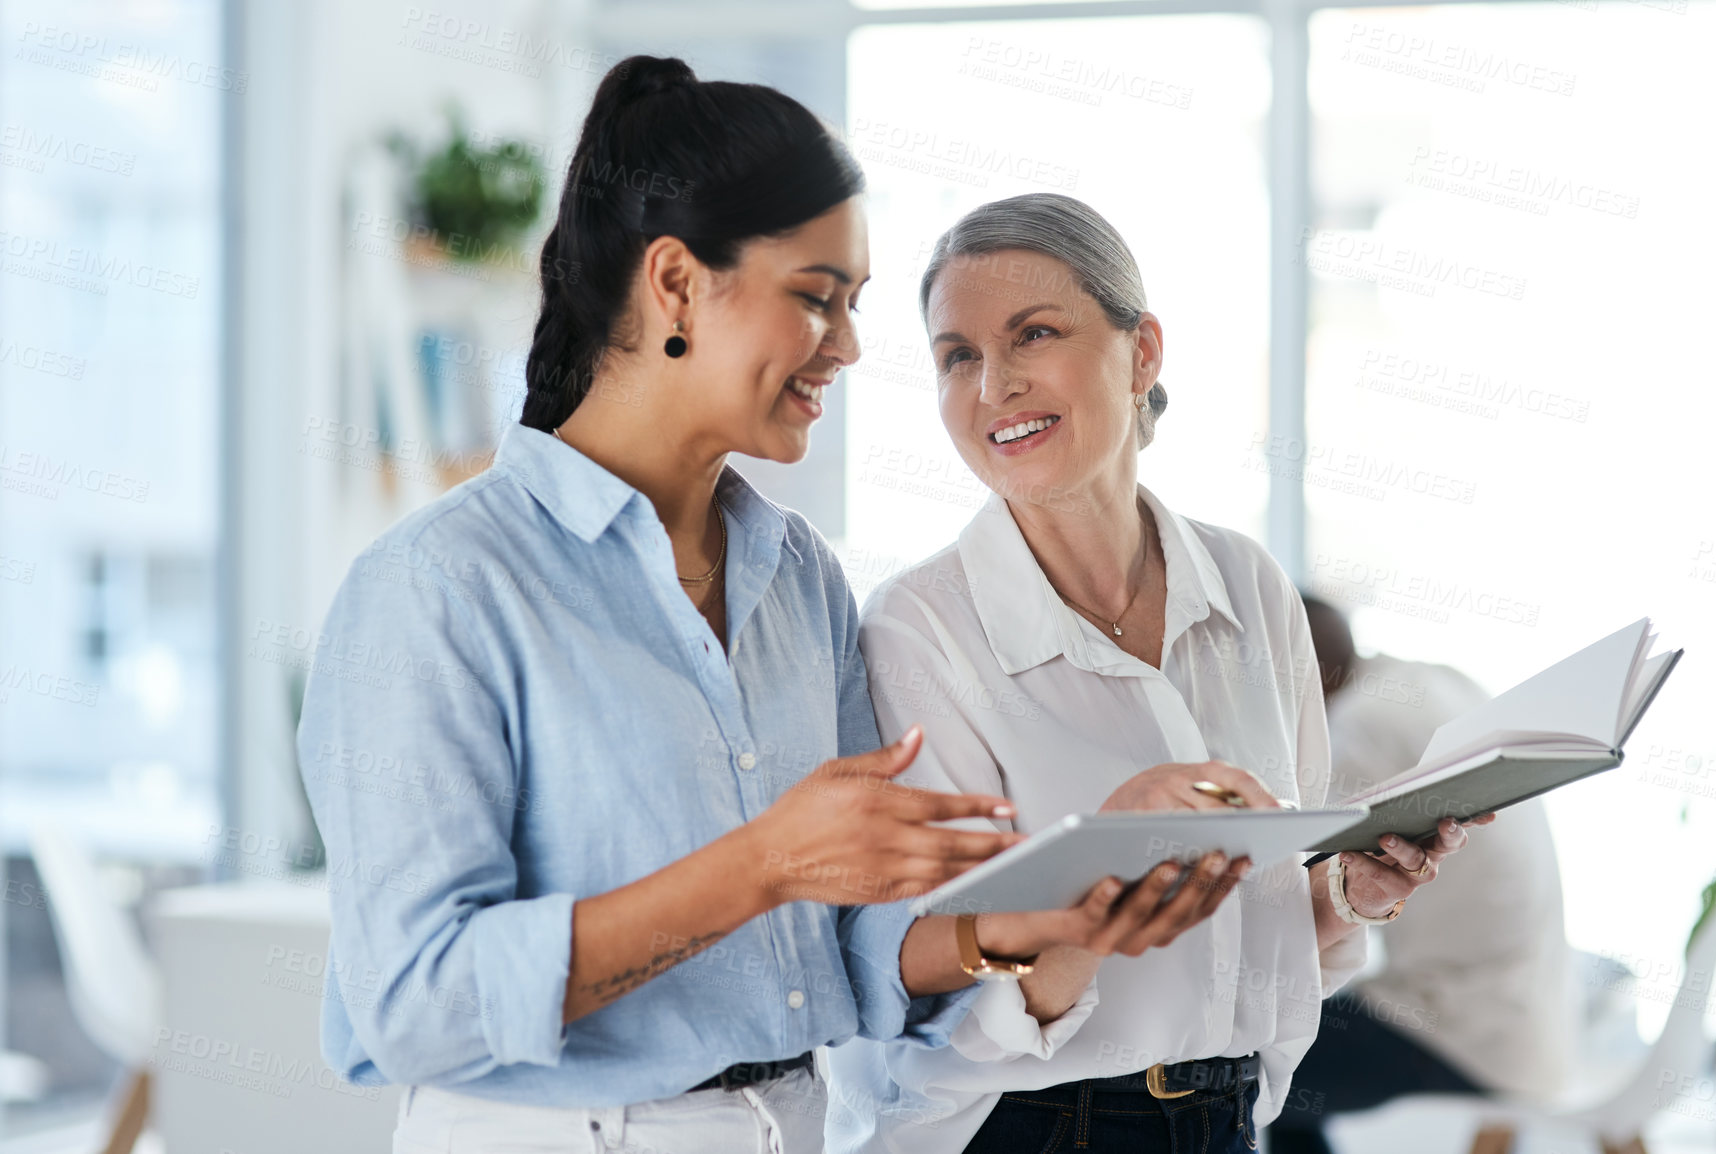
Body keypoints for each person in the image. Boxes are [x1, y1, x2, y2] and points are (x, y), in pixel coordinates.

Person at [298, 60, 1246, 1154]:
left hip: (788, 1125)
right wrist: (759, 865)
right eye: (813, 297)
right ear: (675, 284)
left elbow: (842, 946)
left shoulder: (795, 573)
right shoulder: (440, 585)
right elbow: (413, 1003)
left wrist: (1027, 923)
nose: (845, 345)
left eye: (853, 307)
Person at [824, 193, 1484, 1154]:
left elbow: (1250, 918)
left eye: (1033, 333)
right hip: (1034, 1126)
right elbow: (929, 978)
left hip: (1226, 1116)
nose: (992, 383)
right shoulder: (921, 630)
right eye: (956, 356)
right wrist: (1106, 871)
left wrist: (1347, 892)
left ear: (1143, 352)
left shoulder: (1250, 587)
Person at [1263, 599, 1573, 1154]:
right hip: (1537, 1023)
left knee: (1257, 1059)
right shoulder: (1433, 683)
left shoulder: (1356, 729)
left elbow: (1295, 897)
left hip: (1462, 1037)